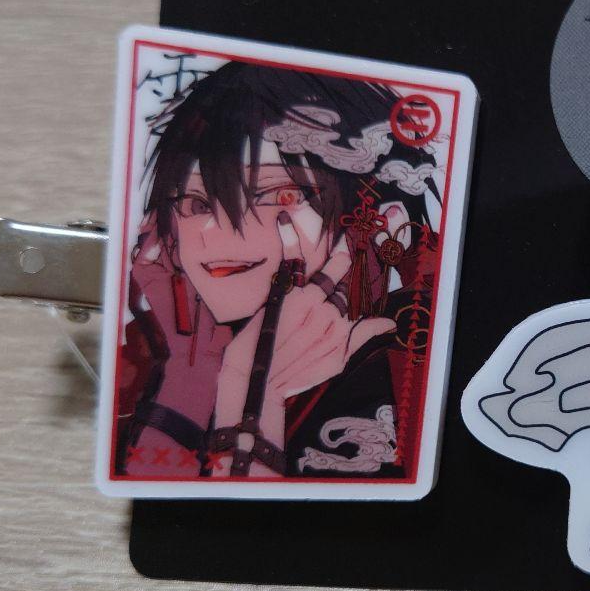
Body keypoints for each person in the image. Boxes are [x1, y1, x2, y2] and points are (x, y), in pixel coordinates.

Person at [116, 59, 440, 481]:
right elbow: (155, 499)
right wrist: (189, 375)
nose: (217, 232)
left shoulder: (408, 366)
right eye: (196, 204)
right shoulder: (159, 353)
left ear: (383, 222)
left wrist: (253, 397)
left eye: (278, 196)